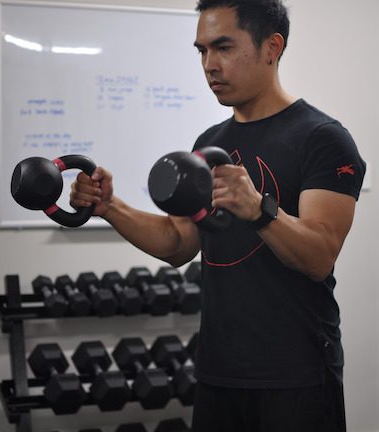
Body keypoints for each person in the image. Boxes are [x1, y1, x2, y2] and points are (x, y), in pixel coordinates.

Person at [70, 1, 365, 431]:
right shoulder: (209, 142)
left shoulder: (323, 139)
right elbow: (178, 244)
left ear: (271, 47)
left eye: (223, 47)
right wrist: (109, 207)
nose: (210, 65)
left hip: (296, 373)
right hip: (218, 369)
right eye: (202, 51)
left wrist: (259, 210)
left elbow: (319, 255)